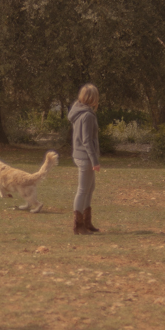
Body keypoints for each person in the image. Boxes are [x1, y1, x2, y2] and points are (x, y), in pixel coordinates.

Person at [68, 84, 101, 235]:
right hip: (85, 157)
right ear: (92, 98)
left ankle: (87, 222)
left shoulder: (79, 110)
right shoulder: (86, 115)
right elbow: (86, 140)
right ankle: (78, 225)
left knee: (90, 188)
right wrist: (94, 161)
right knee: (83, 190)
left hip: (81, 155)